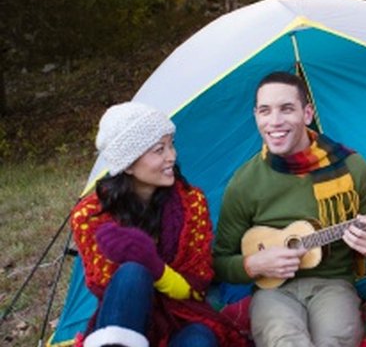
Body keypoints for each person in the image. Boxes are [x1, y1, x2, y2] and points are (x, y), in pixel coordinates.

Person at [213, 72, 366, 347]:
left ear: (307, 113)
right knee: (285, 341)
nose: (274, 122)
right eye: (265, 111)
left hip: (334, 285)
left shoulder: (353, 168)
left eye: (286, 109)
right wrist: (253, 264)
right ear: (256, 116)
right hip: (272, 292)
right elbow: (220, 261)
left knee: (334, 340)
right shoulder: (244, 182)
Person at [70, 101, 247, 347]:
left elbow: (196, 287)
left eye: (171, 145)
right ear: (128, 164)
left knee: (201, 340)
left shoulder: (192, 202)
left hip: (182, 316)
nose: (171, 157)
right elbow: (108, 291)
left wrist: (154, 265)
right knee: (133, 272)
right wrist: (140, 265)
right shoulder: (91, 216)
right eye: (159, 150)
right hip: (125, 319)